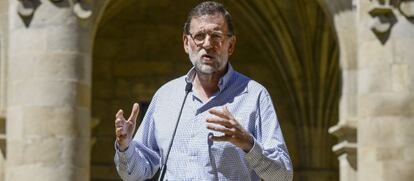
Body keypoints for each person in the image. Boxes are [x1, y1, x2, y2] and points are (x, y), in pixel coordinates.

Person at [114, 1, 293, 180]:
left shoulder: (255, 96)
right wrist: (125, 147)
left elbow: (283, 176)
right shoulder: (165, 96)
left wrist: (248, 143)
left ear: (230, 45)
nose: (207, 44)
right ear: (186, 42)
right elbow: (135, 174)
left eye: (216, 36)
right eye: (199, 36)